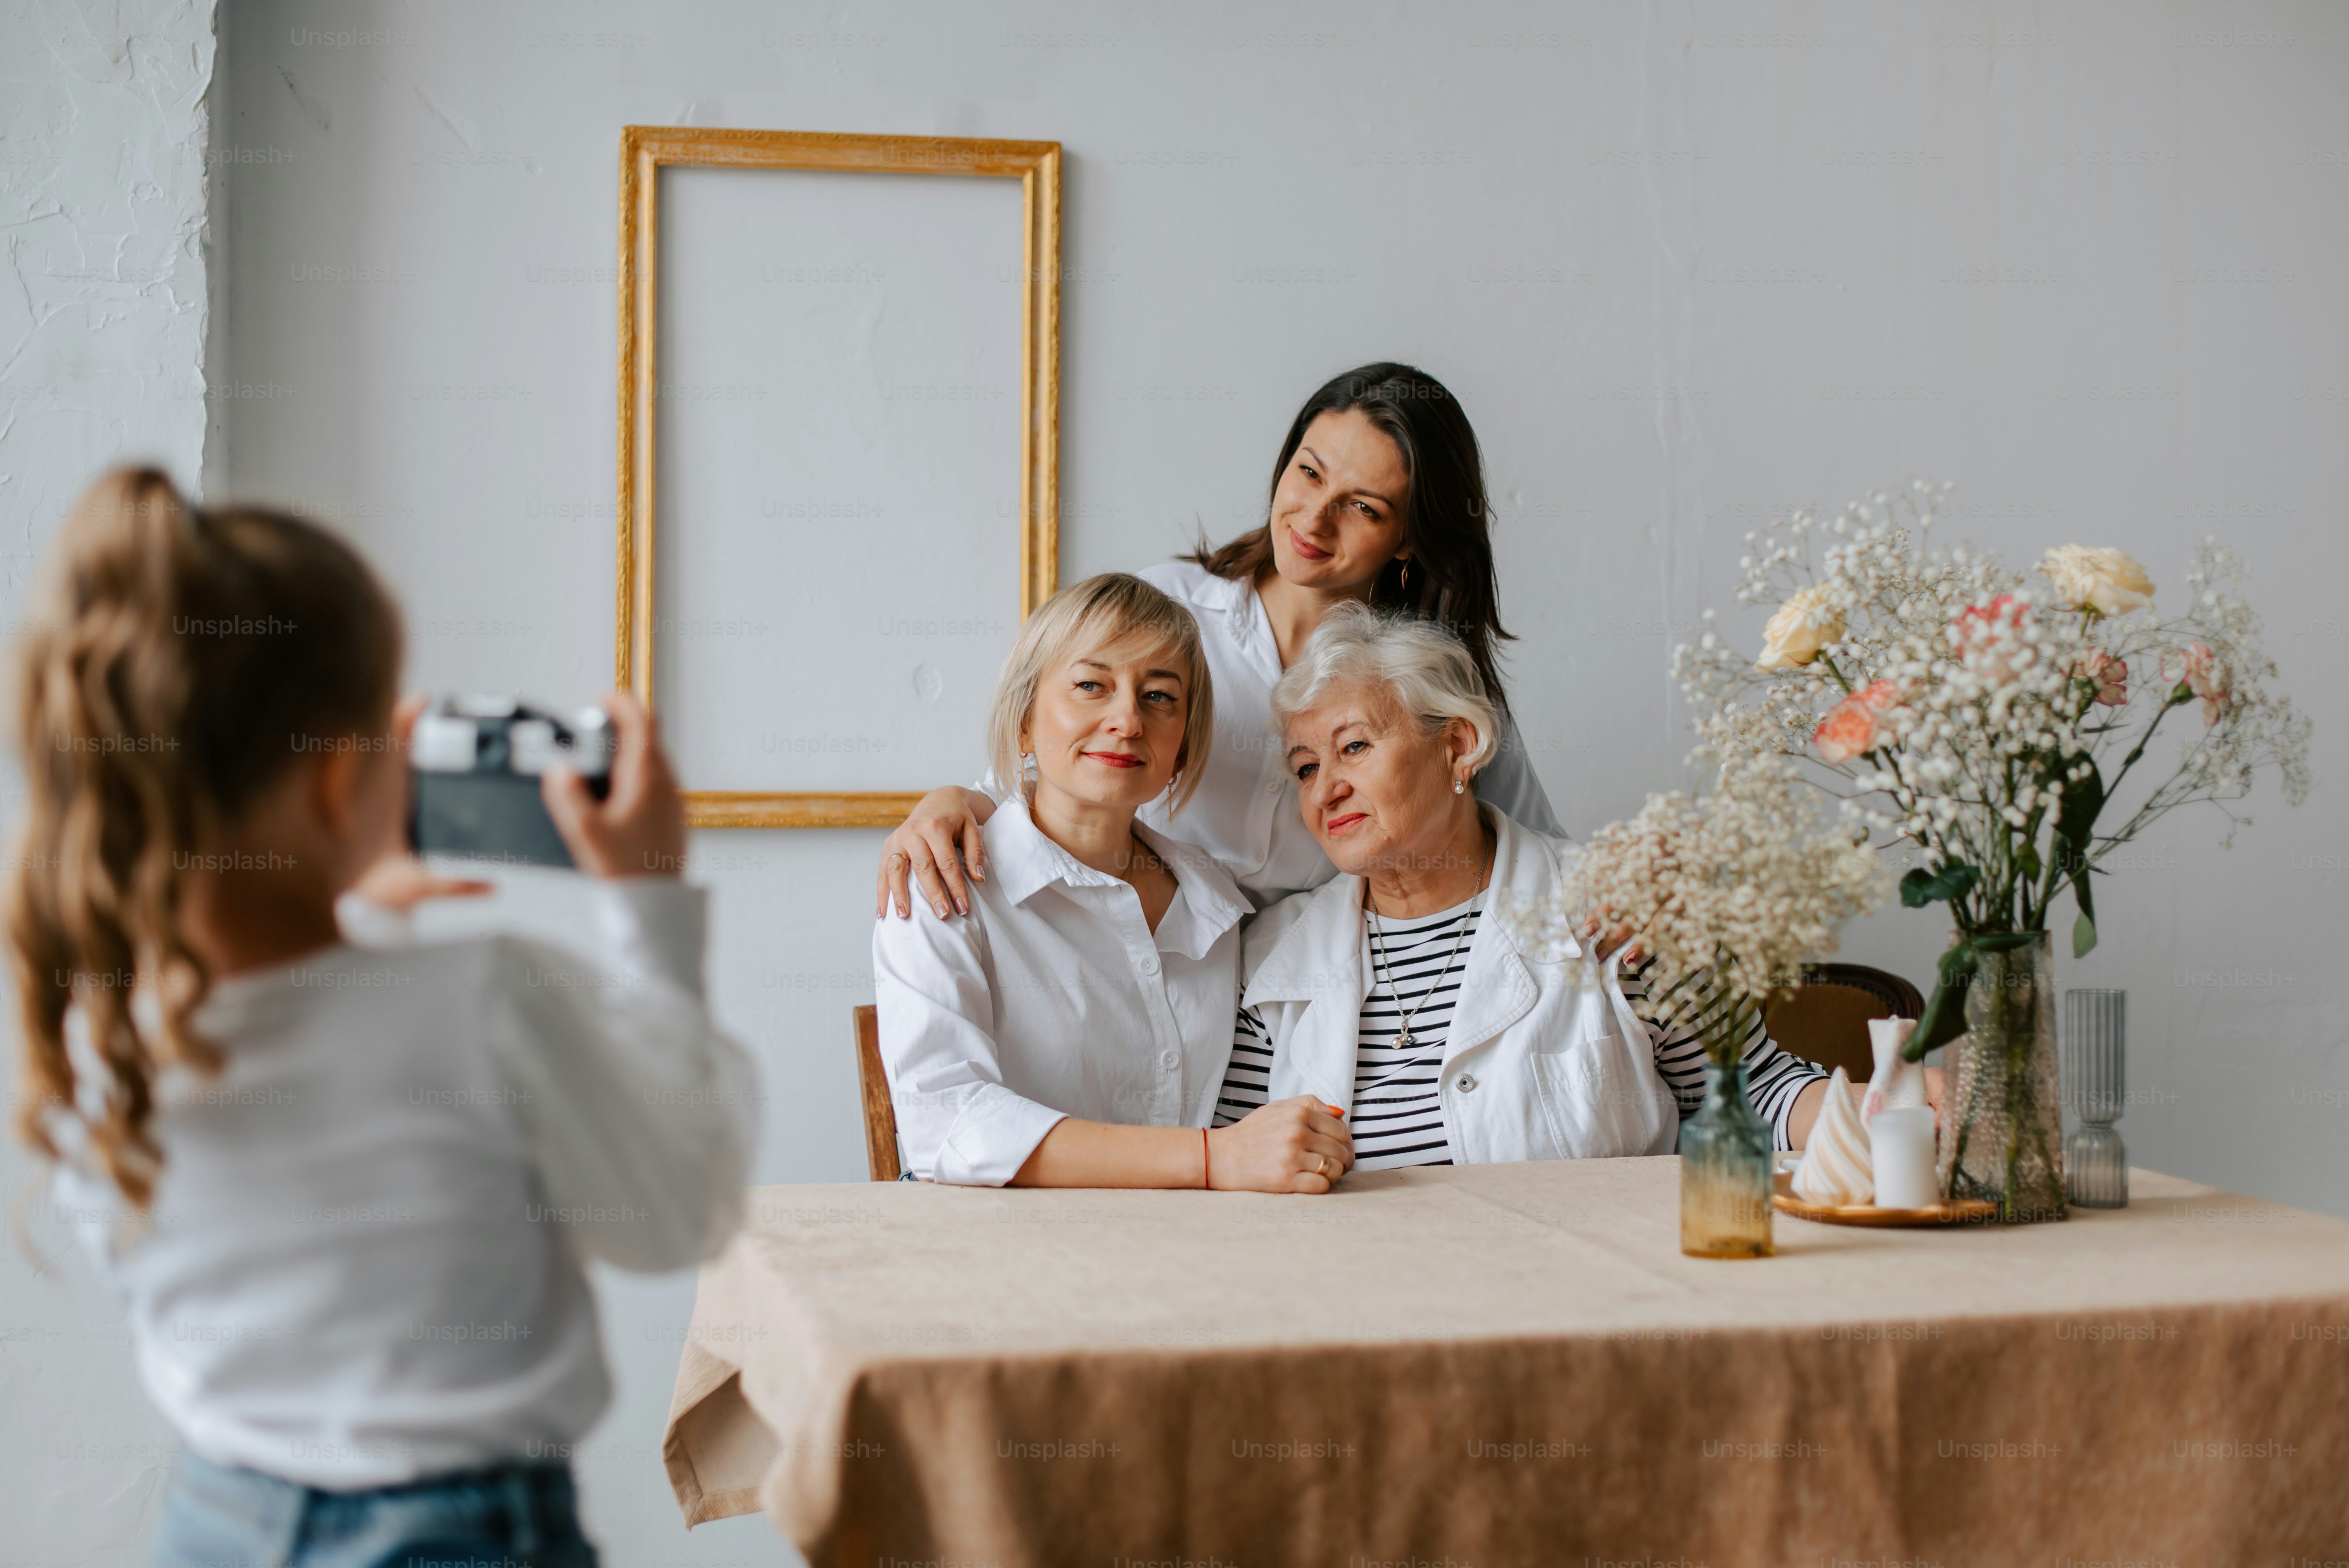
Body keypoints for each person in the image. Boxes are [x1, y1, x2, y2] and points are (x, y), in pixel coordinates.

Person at [5, 469, 754, 1567]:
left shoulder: (89, 1034)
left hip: (218, 1520)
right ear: (336, 782)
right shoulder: (486, 997)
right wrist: (646, 905)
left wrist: (339, 897)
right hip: (461, 1538)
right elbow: (678, 1212)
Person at [877, 362, 1562, 920]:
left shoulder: (1424, 677)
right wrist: (949, 801)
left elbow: (1541, 850)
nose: (1314, 520)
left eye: (1363, 507)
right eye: (1310, 472)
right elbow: (1030, 771)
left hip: (1312, 1005)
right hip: (1149, 971)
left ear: (1411, 537)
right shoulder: (1168, 615)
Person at [1214, 603, 1838, 1165]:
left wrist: (1906, 1106)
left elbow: (1756, 1093)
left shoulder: (1617, 903)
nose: (1326, 789)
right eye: (1305, 768)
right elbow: (1236, 1157)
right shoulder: (1274, 959)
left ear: (1458, 744)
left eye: (1354, 746)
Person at [872, 572, 1351, 1191]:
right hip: (991, 1262)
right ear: (1023, 721)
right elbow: (946, 1124)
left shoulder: (1215, 901)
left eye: (1159, 697)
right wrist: (1212, 1159)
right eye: (1091, 685)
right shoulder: (940, 880)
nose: (1127, 719)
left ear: (1182, 745)